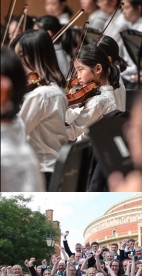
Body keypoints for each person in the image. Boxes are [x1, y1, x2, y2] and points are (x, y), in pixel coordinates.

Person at [13, 29, 68, 190]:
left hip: (41, 172)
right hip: (53, 168)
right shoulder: (54, 89)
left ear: (36, 56)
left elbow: (16, 134)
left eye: (21, 55)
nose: (17, 61)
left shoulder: (41, 95)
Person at [65, 43, 120, 141]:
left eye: (80, 70)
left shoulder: (99, 101)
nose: (78, 77)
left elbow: (72, 132)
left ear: (98, 69)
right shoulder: (102, 92)